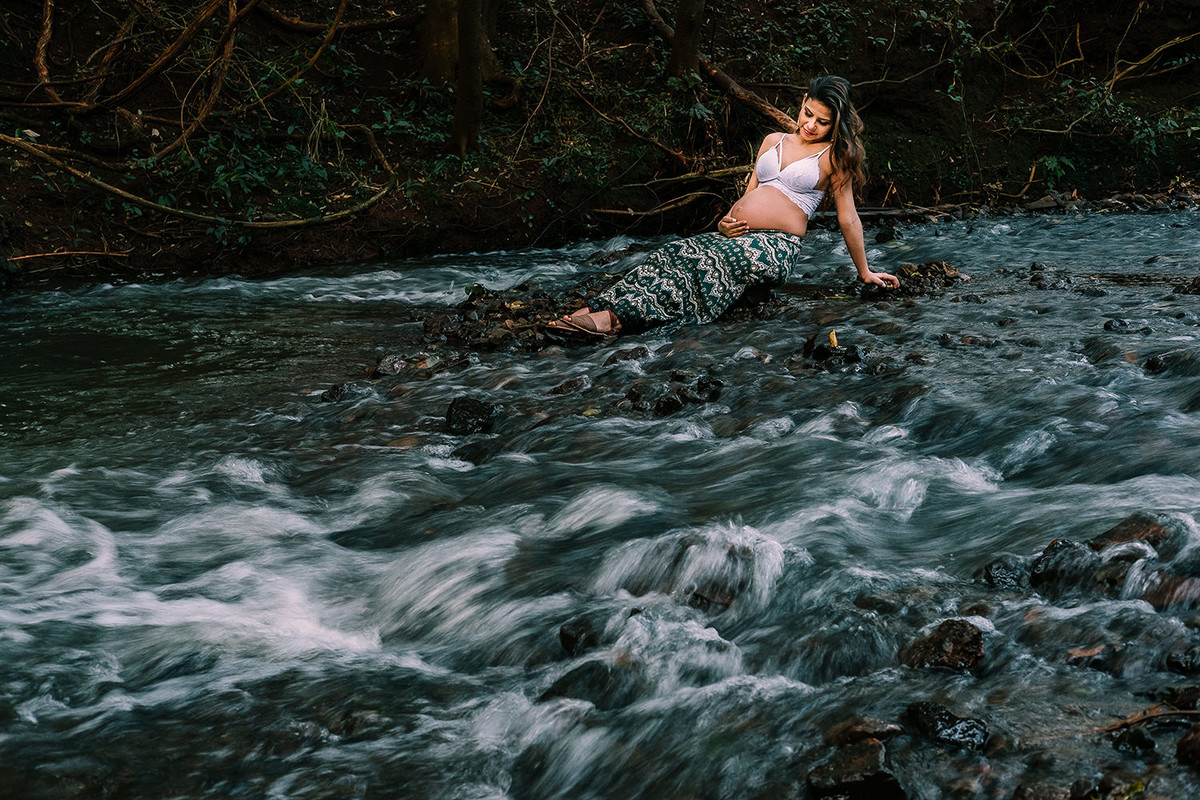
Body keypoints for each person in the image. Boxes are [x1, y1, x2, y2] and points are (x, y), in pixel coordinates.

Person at [548, 75, 899, 337]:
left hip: (775, 247)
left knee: (704, 264)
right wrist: (724, 223)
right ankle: (595, 309)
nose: (810, 125)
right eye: (808, 114)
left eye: (822, 122)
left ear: (836, 124)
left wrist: (865, 272)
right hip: (736, 235)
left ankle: (614, 321)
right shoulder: (773, 140)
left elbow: (848, 218)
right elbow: (748, 194)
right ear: (803, 101)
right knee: (674, 251)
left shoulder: (834, 157)